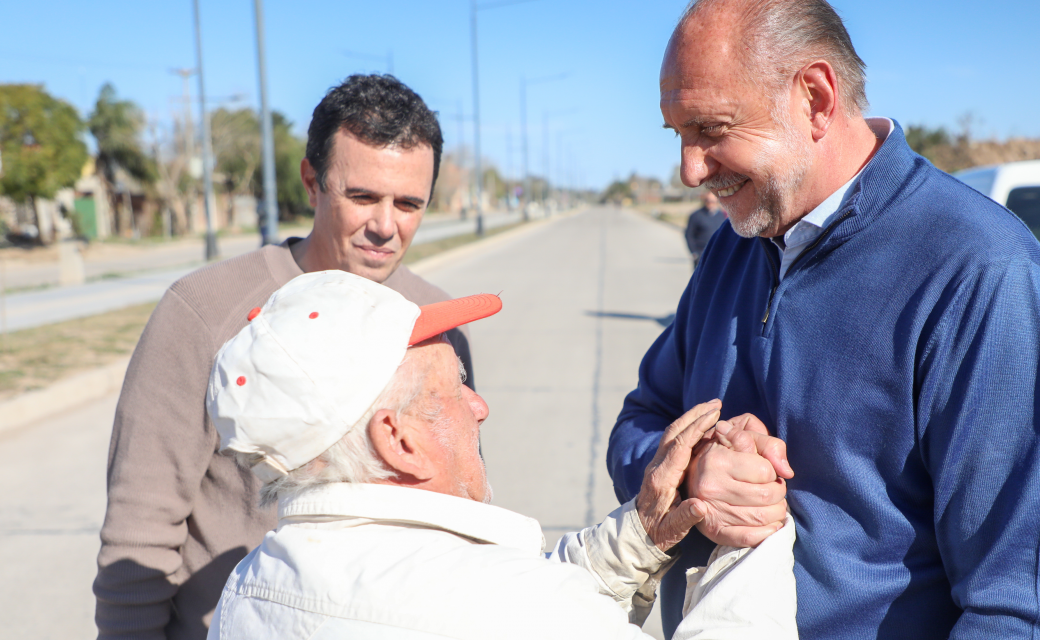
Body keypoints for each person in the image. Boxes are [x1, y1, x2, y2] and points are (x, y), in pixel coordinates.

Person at [607, 1, 1040, 638]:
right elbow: (638, 425)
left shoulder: (986, 275)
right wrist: (692, 470)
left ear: (815, 98)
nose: (690, 169)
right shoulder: (733, 247)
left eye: (712, 129)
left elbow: (1024, 614)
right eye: (678, 133)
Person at [205, 270, 798, 640]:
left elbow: (512, 596)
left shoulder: (246, 591)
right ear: (399, 442)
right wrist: (752, 531)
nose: (479, 406)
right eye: (455, 386)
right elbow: (517, 609)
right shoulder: (512, 612)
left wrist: (642, 533)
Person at [93, 74, 474, 640]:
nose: (385, 226)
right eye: (362, 197)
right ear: (311, 183)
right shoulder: (203, 311)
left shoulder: (440, 325)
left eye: (408, 204)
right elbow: (139, 533)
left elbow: (459, 506)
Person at [684, 191, 726, 267]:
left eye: (713, 201)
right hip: (701, 254)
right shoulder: (695, 216)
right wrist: (694, 252)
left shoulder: (721, 215)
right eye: (708, 201)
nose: (710, 203)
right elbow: (689, 235)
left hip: (718, 254)